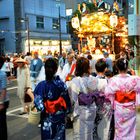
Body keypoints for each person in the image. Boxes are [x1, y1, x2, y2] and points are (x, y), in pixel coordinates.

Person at [34, 58, 71, 140]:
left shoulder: (41, 86)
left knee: (48, 136)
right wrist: (67, 112)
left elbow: (39, 106)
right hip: (60, 116)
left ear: (45, 69)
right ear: (56, 69)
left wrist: (46, 106)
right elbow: (67, 102)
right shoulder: (61, 84)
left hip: (47, 118)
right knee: (59, 136)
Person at [105, 58, 140, 140]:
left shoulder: (113, 80)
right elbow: (138, 90)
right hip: (131, 107)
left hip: (119, 108)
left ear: (117, 68)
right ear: (127, 67)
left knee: (119, 129)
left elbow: (107, 93)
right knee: (131, 128)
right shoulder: (135, 79)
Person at [68, 57, 101, 140]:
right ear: (88, 67)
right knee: (90, 133)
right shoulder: (95, 80)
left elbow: (73, 99)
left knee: (79, 135)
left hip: (80, 111)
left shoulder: (75, 81)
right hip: (92, 110)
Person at [0, 56, 9, 140]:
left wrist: (1, 103)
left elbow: (3, 89)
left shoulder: (2, 74)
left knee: (2, 122)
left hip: (3, 101)